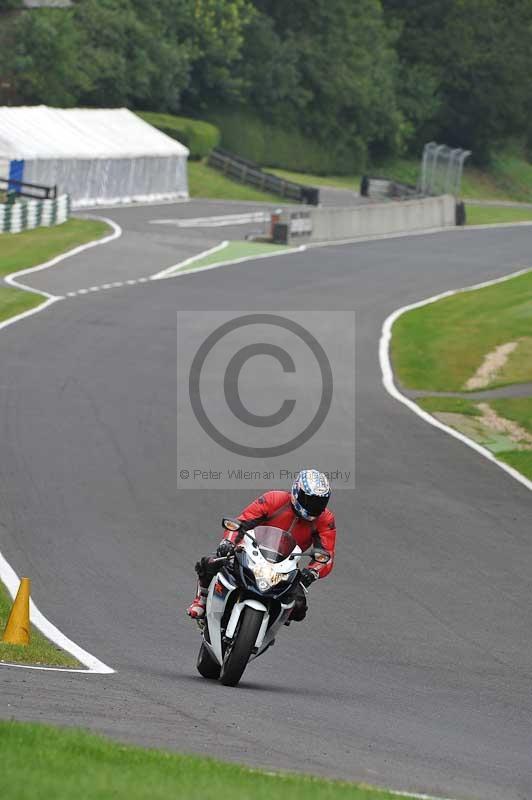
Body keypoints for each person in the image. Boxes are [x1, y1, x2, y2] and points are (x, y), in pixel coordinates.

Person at [186, 469, 336, 622]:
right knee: (210, 563)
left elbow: (326, 555)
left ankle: (270, 626)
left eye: (319, 502)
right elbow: (242, 522)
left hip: (286, 565)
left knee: (298, 607)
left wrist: (312, 572)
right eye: (310, 500)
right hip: (251, 551)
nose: (314, 506)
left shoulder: (325, 520)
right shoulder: (273, 499)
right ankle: (202, 601)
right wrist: (228, 542)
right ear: (297, 491)